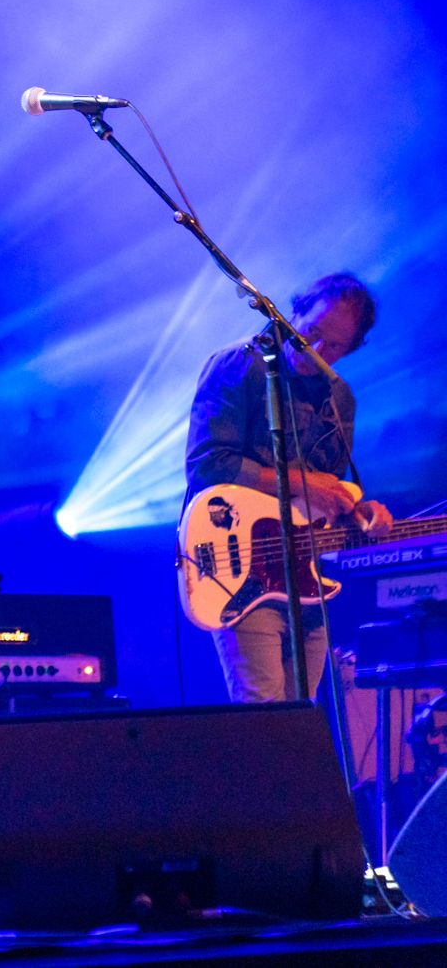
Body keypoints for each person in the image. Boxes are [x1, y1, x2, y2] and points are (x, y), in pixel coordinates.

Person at [184, 272, 391, 703]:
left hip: (305, 576)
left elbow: (328, 491)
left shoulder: (339, 397)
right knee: (265, 715)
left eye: (333, 346)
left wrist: (361, 512)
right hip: (242, 565)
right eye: (311, 331)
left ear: (351, 350)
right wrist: (301, 482)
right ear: (292, 312)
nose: (315, 350)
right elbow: (208, 465)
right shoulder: (238, 366)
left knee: (302, 716)